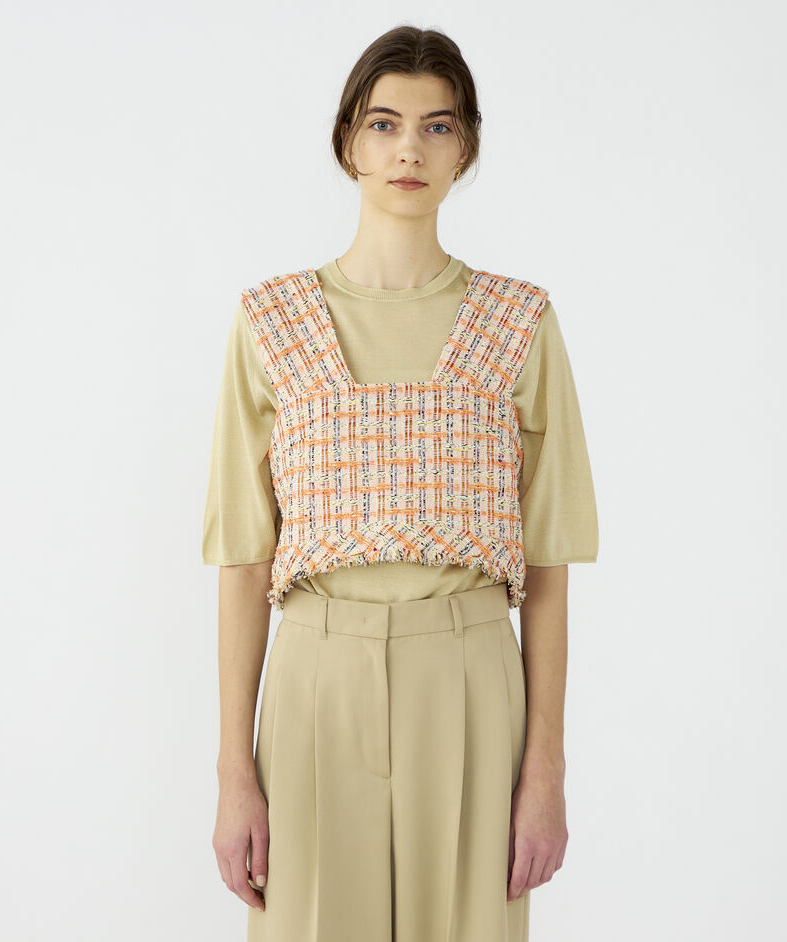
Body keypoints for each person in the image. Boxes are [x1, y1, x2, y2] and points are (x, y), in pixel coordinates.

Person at [202, 24, 598, 942]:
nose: (408, 150)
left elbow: (547, 565)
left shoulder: (519, 322)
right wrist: (233, 773)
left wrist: (544, 771)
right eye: (383, 124)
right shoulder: (269, 322)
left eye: (437, 126)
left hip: (468, 679)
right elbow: (244, 562)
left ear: (466, 148)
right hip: (313, 678)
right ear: (348, 141)